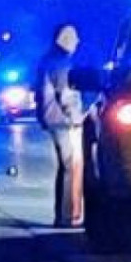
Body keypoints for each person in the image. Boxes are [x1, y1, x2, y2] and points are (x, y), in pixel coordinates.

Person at [37, 24, 86, 228]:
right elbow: (65, 94)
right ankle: (68, 216)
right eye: (74, 38)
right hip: (63, 122)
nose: (77, 42)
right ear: (65, 39)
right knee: (71, 167)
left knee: (67, 166)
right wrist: (77, 118)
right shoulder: (61, 62)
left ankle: (66, 215)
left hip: (55, 119)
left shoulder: (49, 59)